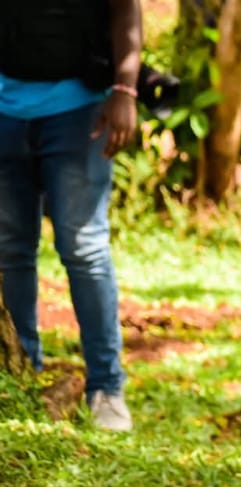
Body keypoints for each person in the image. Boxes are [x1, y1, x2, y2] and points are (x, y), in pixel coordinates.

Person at [0, 0, 140, 432]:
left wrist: (125, 91)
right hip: (5, 113)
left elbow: (125, 11)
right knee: (9, 249)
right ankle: (23, 376)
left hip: (79, 111)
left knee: (84, 248)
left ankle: (107, 387)